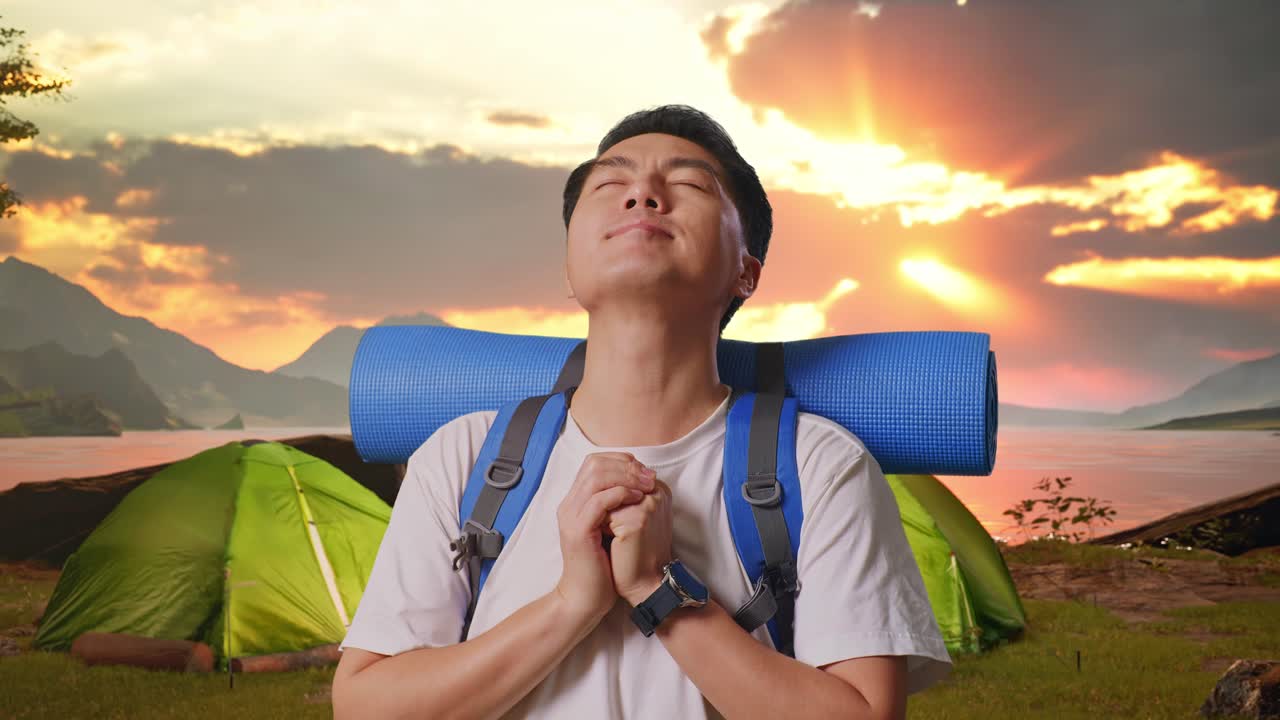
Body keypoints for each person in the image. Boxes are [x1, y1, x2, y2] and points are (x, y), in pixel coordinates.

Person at [331, 104, 951, 719]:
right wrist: (571, 603)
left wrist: (661, 591)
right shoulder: (467, 455)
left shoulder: (818, 463)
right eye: (610, 183)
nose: (642, 195)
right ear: (570, 270)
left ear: (746, 271)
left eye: (687, 184)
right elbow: (365, 706)